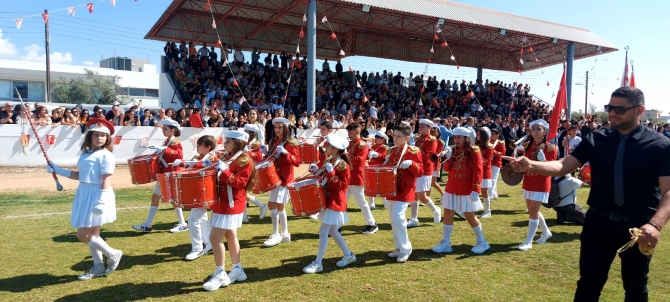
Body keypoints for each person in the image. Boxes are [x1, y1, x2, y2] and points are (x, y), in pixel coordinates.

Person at [505, 87, 670, 301]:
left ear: (640, 110)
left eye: (619, 109)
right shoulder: (596, 139)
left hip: (638, 227)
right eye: (609, 107)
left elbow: (668, 191)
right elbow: (564, 165)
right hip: (598, 223)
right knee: (588, 284)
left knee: (636, 287)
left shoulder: (661, 145)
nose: (612, 113)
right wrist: (531, 164)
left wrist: (654, 225)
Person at [46, 118, 123, 280]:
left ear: (107, 139)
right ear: (89, 137)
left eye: (103, 136)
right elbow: (81, 176)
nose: (99, 138)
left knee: (82, 235)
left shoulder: (106, 155)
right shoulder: (86, 154)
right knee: (94, 233)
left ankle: (113, 253)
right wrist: (58, 170)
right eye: (96, 135)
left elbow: (105, 179)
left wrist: (101, 200)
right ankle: (98, 266)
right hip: (85, 192)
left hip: (98, 194)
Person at [203, 130, 256, 291]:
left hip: (231, 204)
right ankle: (238, 269)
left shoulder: (243, 160)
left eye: (228, 142)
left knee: (214, 238)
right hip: (223, 202)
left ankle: (220, 273)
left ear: (237, 143)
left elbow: (240, 183)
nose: (224, 144)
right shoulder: (228, 157)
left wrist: (224, 171)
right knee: (231, 235)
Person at [303, 134, 357, 273]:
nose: (326, 147)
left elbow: (341, 186)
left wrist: (331, 172)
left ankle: (318, 263)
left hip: (335, 201)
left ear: (335, 149)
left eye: (328, 146)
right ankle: (349, 255)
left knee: (324, 231)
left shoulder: (342, 165)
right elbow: (325, 176)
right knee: (332, 230)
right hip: (329, 200)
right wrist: (317, 170)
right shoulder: (331, 160)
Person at [433, 127, 489, 254]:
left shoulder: (474, 150)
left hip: (466, 187)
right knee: (448, 213)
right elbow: (448, 169)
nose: (456, 140)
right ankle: (446, 243)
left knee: (469, 215)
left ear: (466, 138)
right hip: (452, 186)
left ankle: (482, 241)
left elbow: (478, 170)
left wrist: (476, 189)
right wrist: (447, 157)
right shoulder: (454, 150)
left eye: (459, 137)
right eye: (455, 137)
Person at [132, 119, 186, 233]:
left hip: (170, 173)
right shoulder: (168, 141)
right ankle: (148, 224)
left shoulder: (175, 142)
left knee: (172, 198)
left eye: (165, 129)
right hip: (164, 174)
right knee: (157, 197)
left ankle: (182, 223)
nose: (163, 131)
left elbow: (179, 155)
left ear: (172, 130)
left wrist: (165, 149)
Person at [171, 136, 218, 260]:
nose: (197, 147)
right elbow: (190, 167)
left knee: (192, 220)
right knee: (202, 219)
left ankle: (197, 249)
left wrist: (185, 162)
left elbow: (204, 166)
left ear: (208, 147)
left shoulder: (210, 157)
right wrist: (183, 164)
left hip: (204, 193)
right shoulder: (197, 158)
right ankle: (210, 243)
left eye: (199, 145)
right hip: (197, 192)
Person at [514, 119, 557, 251]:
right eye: (533, 129)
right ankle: (546, 232)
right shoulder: (527, 145)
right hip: (528, 180)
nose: (536, 131)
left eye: (539, 129)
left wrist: (544, 161)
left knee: (533, 212)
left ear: (544, 131)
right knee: (533, 211)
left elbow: (553, 166)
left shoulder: (551, 147)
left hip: (541, 182)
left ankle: (528, 241)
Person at [384, 122, 423, 262]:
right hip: (392, 189)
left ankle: (406, 248)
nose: (395, 138)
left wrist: (412, 164)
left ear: (407, 138)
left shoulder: (414, 151)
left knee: (398, 218)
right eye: (394, 135)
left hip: (405, 189)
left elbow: (420, 172)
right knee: (393, 219)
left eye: (399, 136)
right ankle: (399, 247)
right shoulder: (393, 150)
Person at [262, 117, 301, 247]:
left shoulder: (290, 143)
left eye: (280, 127)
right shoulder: (273, 141)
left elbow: (297, 161)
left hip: (284, 178)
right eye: (275, 127)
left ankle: (279, 233)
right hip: (274, 177)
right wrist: (265, 153)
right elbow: (271, 159)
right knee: (273, 204)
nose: (277, 129)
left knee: (278, 205)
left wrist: (286, 153)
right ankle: (283, 233)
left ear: (285, 128)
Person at [344, 122, 379, 234]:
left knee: (361, 202)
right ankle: (337, 224)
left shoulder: (362, 145)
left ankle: (372, 223)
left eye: (350, 132)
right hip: (348, 176)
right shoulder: (350, 144)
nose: (348, 134)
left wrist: (346, 155)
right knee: (342, 201)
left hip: (355, 177)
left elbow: (359, 161)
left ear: (357, 132)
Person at [407, 119, 442, 227]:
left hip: (425, 170)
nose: (420, 128)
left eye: (423, 126)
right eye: (420, 126)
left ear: (429, 128)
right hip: (415, 168)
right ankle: (414, 219)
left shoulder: (432, 140)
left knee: (422, 196)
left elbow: (428, 156)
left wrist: (414, 150)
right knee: (413, 195)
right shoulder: (418, 138)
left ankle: (435, 209)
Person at [242, 123, 269, 222]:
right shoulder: (246, 141)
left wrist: (247, 152)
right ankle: (245, 216)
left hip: (252, 169)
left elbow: (258, 155)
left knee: (243, 193)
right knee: (243, 193)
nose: (244, 132)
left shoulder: (257, 142)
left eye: (246, 131)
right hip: (245, 168)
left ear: (251, 132)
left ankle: (261, 206)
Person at [367, 131, 389, 209]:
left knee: (382, 186)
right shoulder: (373, 146)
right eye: (376, 137)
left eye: (378, 138)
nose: (376, 139)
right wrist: (368, 147)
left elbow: (385, 158)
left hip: (380, 168)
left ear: (383, 139)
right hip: (371, 167)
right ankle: (372, 203)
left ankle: (386, 203)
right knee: (371, 186)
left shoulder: (384, 147)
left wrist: (378, 155)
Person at [476, 127, 495, 219]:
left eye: (479, 134)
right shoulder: (476, 145)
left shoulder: (490, 146)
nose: (477, 136)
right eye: (477, 134)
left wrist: (477, 160)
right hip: (476, 171)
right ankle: (476, 207)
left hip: (485, 172)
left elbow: (487, 161)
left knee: (484, 191)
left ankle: (488, 210)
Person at [489, 128, 506, 200]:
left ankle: (490, 195)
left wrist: (494, 151)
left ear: (497, 135)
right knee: (492, 179)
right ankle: (494, 194)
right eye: (491, 134)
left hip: (496, 163)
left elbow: (502, 154)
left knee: (493, 179)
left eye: (493, 134)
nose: (491, 135)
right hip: (490, 163)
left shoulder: (500, 143)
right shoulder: (489, 142)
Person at [430, 126, 446, 196]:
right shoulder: (428, 140)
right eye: (433, 132)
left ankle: (443, 194)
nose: (435, 133)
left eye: (437, 132)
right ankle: (426, 197)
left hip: (435, 163)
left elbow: (437, 152)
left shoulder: (440, 142)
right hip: (428, 163)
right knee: (428, 183)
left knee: (433, 182)